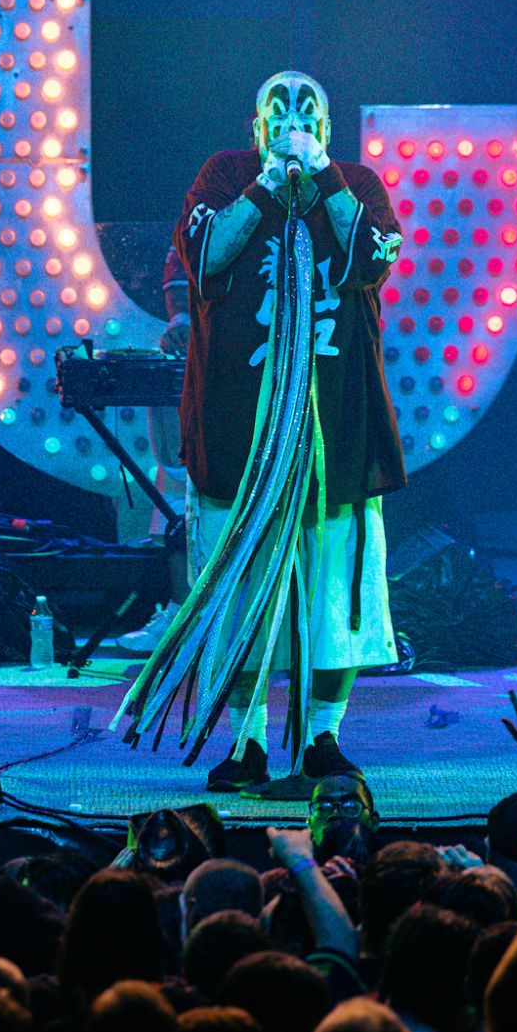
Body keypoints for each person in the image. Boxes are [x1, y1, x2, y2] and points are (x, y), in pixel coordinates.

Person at [121, 70, 405, 791]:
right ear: (255, 125)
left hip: (332, 432)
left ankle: (321, 741)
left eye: (307, 110)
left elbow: (373, 258)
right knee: (241, 589)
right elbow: (204, 258)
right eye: (276, 110)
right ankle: (245, 742)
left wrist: (323, 177)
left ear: (330, 127)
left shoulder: (357, 182)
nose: (291, 119)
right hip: (238, 431)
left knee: (334, 593)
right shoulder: (224, 176)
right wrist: (265, 187)